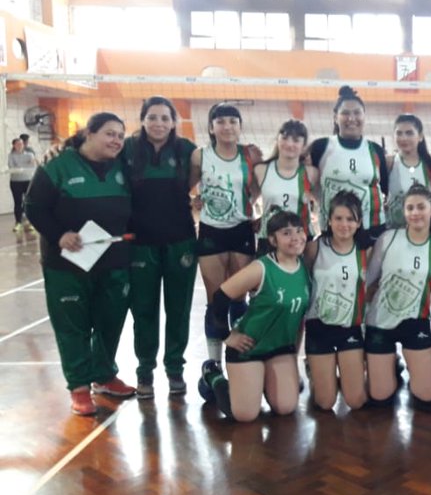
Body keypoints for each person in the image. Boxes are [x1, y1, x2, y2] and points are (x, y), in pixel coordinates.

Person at [25, 112, 134, 416]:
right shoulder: (57, 164)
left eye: (120, 136)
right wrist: (59, 235)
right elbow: (33, 206)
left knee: (111, 321)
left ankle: (104, 375)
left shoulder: (124, 165)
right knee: (72, 325)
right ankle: (79, 387)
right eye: (109, 133)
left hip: (113, 260)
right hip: (68, 263)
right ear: (89, 133)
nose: (116, 140)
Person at [199, 211, 310, 422]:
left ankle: (259, 382)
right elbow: (220, 297)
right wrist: (227, 336)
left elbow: (299, 319)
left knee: (286, 407)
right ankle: (213, 375)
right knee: (246, 415)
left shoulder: (304, 267)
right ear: (273, 240)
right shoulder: (261, 268)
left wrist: (294, 353)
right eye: (286, 233)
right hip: (249, 347)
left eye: (299, 231)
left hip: (279, 347)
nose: (296, 237)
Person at [123, 96, 198, 399]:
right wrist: (64, 146)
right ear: (142, 120)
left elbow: (221, 163)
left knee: (179, 310)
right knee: (144, 310)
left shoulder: (186, 150)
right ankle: (145, 371)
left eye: (165, 118)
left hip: (180, 241)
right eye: (152, 117)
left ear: (173, 122)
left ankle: (175, 369)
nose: (158, 123)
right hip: (140, 243)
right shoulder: (127, 148)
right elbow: (92, 148)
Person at [365, 185, 431, 409]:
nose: (415, 213)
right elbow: (367, 279)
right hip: (380, 323)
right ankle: (390, 364)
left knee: (428, 396)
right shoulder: (388, 238)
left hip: (416, 323)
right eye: (410, 208)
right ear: (404, 212)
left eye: (420, 207)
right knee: (380, 397)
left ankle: (422, 363)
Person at [189, 103, 260, 363]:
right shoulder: (200, 156)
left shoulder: (250, 154)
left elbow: (257, 187)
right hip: (211, 231)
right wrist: (195, 201)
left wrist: (253, 209)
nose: (227, 126)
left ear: (240, 127)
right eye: (220, 122)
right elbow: (188, 185)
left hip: (241, 229)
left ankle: (238, 357)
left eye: (233, 121)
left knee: (239, 296)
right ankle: (214, 363)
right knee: (215, 300)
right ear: (211, 127)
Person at [303, 191, 369, 411]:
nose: (344, 224)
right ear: (329, 220)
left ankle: (342, 373)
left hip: (349, 328)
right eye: (338, 218)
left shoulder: (365, 252)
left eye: (350, 219)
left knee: (355, 401)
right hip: (318, 326)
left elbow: (373, 287)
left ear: (359, 222)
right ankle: (316, 372)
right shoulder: (315, 247)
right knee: (325, 402)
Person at [307, 85, 389, 243]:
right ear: (335, 117)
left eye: (357, 113)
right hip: (333, 231)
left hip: (371, 231)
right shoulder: (321, 147)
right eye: (345, 113)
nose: (351, 118)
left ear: (364, 116)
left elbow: (386, 189)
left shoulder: (375, 150)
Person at [254, 119, 319, 253]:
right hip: (269, 239)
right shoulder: (261, 170)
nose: (289, 144)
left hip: (300, 240)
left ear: (304, 145)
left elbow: (323, 203)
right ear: (277, 140)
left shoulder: (311, 173)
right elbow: (247, 201)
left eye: (296, 140)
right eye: (285, 138)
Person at [384, 114, 431, 228]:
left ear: (420, 136)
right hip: (393, 231)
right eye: (399, 133)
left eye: (409, 133)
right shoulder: (388, 163)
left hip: (423, 232)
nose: (404, 138)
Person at [8, 137, 37, 233]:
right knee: (18, 202)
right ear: (14, 146)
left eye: (21, 144)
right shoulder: (11, 156)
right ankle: (18, 223)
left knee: (29, 202)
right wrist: (25, 165)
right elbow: (12, 167)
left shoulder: (29, 154)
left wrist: (22, 167)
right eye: (18, 144)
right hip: (16, 182)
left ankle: (30, 222)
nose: (20, 146)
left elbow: (33, 165)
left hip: (28, 181)